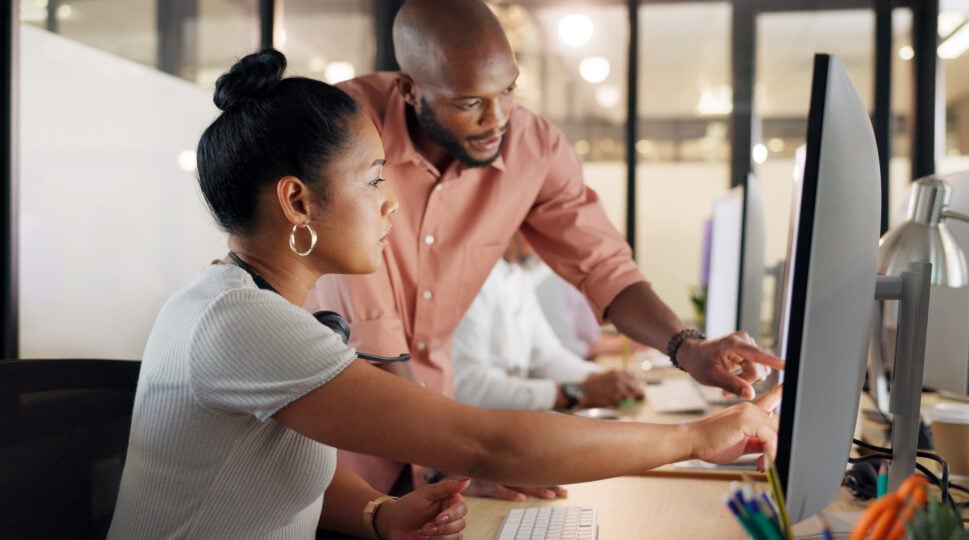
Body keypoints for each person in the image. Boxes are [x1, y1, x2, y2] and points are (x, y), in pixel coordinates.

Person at [107, 49, 782, 539]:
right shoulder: (243, 325)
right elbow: (490, 444)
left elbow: (288, 462)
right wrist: (700, 435)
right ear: (297, 201)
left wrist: (378, 514)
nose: (390, 206)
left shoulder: (254, 306)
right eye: (374, 180)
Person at [305, 0, 783, 498]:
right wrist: (451, 458)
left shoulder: (532, 145)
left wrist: (688, 347)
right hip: (338, 453)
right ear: (409, 90)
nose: (498, 120)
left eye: (507, 91)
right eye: (469, 103)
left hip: (437, 435)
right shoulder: (346, 130)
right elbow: (374, 332)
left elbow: (603, 266)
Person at [453, 234, 644, 410]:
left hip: (510, 416)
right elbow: (468, 387)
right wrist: (575, 391)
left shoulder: (518, 276)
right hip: (480, 424)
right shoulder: (471, 279)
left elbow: (548, 356)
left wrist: (601, 378)